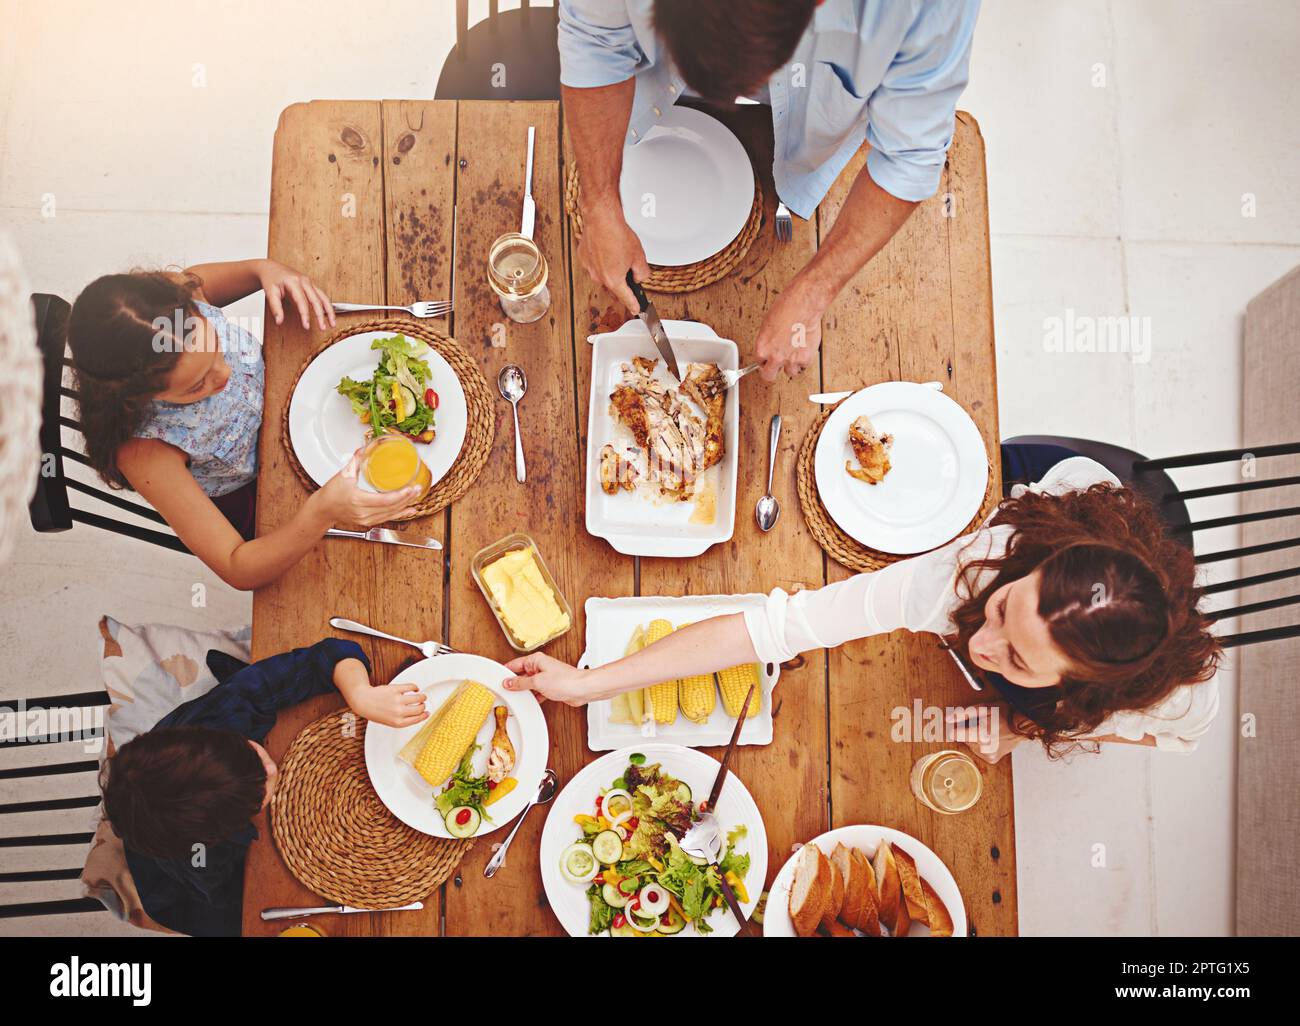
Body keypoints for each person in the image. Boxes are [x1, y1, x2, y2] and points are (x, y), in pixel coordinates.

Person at [503, 453, 1223, 761]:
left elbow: (1150, 736)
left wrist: (1017, 728)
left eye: (1018, 659)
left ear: (1082, 686)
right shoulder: (963, 573)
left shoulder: (1165, 695)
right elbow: (773, 627)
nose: (982, 647)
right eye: (1004, 611)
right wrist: (586, 684)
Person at [558, 0, 981, 380]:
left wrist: (813, 294)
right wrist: (599, 206)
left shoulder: (926, 7)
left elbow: (908, 157)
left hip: (813, 119)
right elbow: (595, 41)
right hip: (653, 88)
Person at [68, 261, 421, 589]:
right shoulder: (145, 452)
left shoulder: (177, 294)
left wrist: (265, 271)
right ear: (138, 398)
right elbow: (238, 566)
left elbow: (256, 271)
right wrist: (320, 513)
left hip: (296, 390)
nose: (225, 373)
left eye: (218, 346)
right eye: (196, 386)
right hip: (265, 493)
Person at [100, 637, 428, 936]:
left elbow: (328, 655)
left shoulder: (218, 716)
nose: (272, 767)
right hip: (192, 897)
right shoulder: (202, 859)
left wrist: (360, 694)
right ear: (233, 824)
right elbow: (235, 899)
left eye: (253, 752)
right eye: (262, 788)